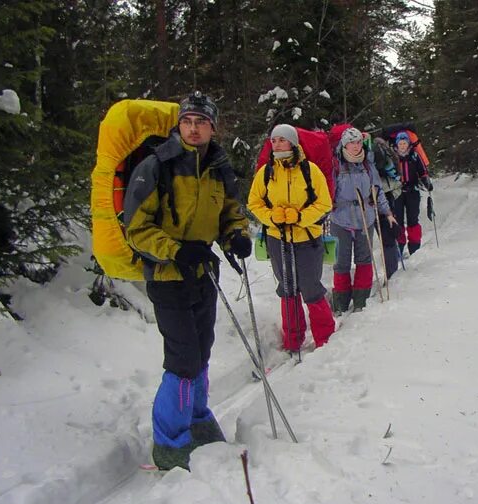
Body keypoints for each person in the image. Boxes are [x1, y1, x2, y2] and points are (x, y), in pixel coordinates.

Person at [124, 91, 251, 471]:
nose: (194, 129)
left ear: (213, 127)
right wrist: (176, 250)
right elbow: (136, 228)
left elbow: (230, 211)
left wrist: (237, 235)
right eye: (187, 121)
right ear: (179, 125)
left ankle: (197, 419)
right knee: (182, 360)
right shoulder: (156, 166)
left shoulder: (218, 165)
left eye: (201, 122)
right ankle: (169, 441)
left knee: (203, 351)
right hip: (167, 275)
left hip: (202, 273)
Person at [247, 124, 335, 352]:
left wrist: (300, 216)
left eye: (281, 140)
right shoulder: (265, 172)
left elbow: (324, 203)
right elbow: (254, 203)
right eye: (273, 140)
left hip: (307, 237)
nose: (276, 144)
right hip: (278, 238)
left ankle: (325, 338)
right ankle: (292, 340)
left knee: (311, 286)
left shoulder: (310, 170)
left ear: (292, 142)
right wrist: (271, 217)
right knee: (287, 288)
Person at [330, 128, 398, 314]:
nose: (356, 146)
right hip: (341, 221)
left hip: (365, 218)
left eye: (359, 142)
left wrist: (387, 212)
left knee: (364, 260)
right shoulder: (336, 165)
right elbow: (326, 192)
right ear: (344, 144)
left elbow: (378, 189)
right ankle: (340, 303)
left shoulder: (368, 165)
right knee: (341, 262)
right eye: (352, 142)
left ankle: (361, 301)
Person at [393, 131, 433, 255]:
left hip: (412, 191)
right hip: (397, 192)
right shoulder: (393, 157)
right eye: (400, 143)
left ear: (409, 144)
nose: (403, 145)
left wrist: (426, 181)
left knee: (413, 219)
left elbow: (422, 171)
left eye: (405, 143)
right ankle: (399, 245)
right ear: (397, 144)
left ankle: (414, 246)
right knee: (397, 220)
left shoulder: (414, 155)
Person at [372, 136, 402, 279]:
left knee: (382, 233)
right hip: (387, 192)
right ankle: (392, 270)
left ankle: (390, 269)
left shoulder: (368, 153)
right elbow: (396, 174)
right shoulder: (384, 151)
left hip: (372, 194)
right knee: (388, 234)